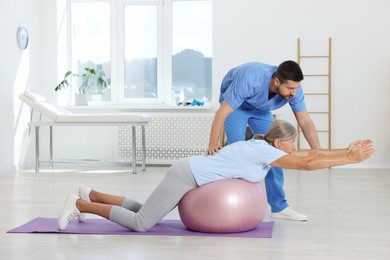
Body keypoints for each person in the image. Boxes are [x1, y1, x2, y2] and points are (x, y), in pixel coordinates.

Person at [58, 120, 374, 232]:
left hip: (187, 170)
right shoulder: (265, 151)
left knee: (144, 210)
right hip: (187, 175)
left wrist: (346, 151)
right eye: (292, 143)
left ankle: (94, 194)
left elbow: (309, 156)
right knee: (142, 224)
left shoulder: (262, 145)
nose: (295, 148)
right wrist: (348, 158)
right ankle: (80, 205)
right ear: (279, 143)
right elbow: (307, 163)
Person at [207, 60, 321, 221]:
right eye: (290, 88)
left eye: (296, 88)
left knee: (275, 151)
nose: (294, 93)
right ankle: (230, 200)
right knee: (236, 149)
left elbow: (305, 121)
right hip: (237, 106)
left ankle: (279, 207)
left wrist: (318, 151)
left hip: (260, 109)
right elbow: (222, 113)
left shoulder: (294, 89)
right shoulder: (250, 79)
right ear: (276, 82)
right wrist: (212, 143)